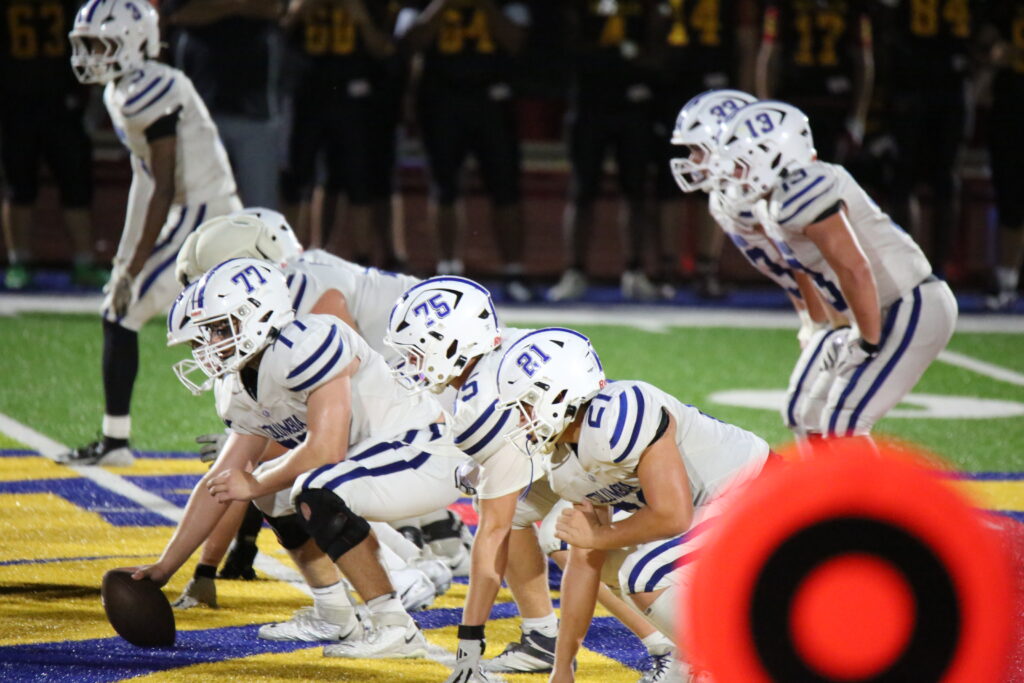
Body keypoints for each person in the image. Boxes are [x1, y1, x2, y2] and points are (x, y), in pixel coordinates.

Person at [137, 258, 470, 657]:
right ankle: (334, 613)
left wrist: (254, 481)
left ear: (259, 315)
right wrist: (165, 568)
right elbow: (221, 482)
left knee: (309, 485)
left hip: (424, 452)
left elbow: (326, 451)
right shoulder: (238, 386)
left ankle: (396, 625)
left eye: (221, 329)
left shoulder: (308, 341)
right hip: (373, 467)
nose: (209, 345)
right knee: (273, 491)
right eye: (206, 334)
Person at [384, 276, 676, 681]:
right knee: (521, 516)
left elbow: (491, 534)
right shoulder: (495, 349)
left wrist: (469, 644)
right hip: (573, 449)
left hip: (614, 464)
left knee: (565, 536)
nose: (413, 364)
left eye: (418, 353)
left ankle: (665, 644)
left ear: (451, 345)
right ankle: (542, 636)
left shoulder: (484, 405)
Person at [494, 327, 773, 681]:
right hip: (712, 510)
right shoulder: (564, 463)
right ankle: (700, 652)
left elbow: (673, 515)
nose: (521, 420)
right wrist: (563, 668)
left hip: (758, 493)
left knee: (643, 573)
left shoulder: (621, 412)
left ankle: (739, 664)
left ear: (560, 394)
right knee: (598, 555)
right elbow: (585, 563)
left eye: (526, 406)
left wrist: (599, 535)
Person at [59, 0, 242, 466]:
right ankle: (118, 441)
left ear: (134, 42)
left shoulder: (154, 88)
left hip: (203, 214)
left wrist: (134, 265)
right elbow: (143, 181)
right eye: (86, 45)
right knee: (215, 329)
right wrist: (125, 259)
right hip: (196, 210)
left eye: (100, 44)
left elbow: (162, 186)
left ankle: (118, 443)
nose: (90, 55)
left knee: (124, 313)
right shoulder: (121, 91)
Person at [716, 100, 958, 441]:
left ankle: (869, 482)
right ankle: (826, 482)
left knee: (844, 423)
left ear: (772, 156)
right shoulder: (776, 201)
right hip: (878, 310)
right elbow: (821, 275)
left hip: (907, 302)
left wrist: (867, 341)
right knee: (809, 416)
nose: (734, 175)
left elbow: (854, 267)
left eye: (741, 164)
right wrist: (839, 328)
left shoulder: (803, 188)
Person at [670, 88, 850, 441]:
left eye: (697, 149)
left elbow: (804, 263)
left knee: (818, 416)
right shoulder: (727, 198)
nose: (691, 160)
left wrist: (819, 324)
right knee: (815, 417)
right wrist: (807, 318)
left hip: (848, 307)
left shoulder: (759, 192)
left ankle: (850, 478)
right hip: (832, 307)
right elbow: (790, 270)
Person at [400, 0, 531, 301]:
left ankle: (513, 271)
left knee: (506, 187)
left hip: (492, 99)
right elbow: (409, 42)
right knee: (443, 187)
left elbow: (516, 41)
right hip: (441, 99)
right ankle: (447, 269)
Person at [550, 0, 659, 302]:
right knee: (581, 191)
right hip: (589, 102)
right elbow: (566, 43)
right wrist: (613, 55)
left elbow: (656, 44)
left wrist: (632, 59)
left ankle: (635, 270)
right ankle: (574, 270)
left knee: (636, 190)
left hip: (633, 104)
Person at [649, 0, 759, 299]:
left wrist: (746, 101)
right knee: (670, 182)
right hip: (672, 88)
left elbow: (745, 42)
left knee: (716, 181)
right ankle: (669, 267)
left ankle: (706, 267)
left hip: (716, 92)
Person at [0, 0, 105, 291]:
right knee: (18, 188)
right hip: (16, 104)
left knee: (76, 186)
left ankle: (84, 260)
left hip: (61, 102)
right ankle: (19, 260)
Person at [278, 0, 396, 256]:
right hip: (305, 95)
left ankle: (362, 259)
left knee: (360, 180)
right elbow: (273, 36)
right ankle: (287, 256)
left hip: (352, 95)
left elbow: (385, 49)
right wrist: (296, 13)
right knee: (295, 179)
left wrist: (361, 17)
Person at [876, 0, 978, 279]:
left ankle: (920, 266)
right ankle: (921, 266)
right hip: (934, 86)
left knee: (924, 179)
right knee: (920, 179)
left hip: (924, 86)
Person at [163, 0, 285, 210]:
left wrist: (215, 7)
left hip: (256, 110)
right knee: (199, 205)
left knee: (262, 208)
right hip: (199, 112)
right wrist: (240, 6)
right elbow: (181, 14)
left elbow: (275, 9)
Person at [755, 0, 873, 164]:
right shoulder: (780, 5)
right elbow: (769, 57)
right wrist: (767, 110)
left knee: (831, 171)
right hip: (795, 101)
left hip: (834, 107)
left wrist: (857, 118)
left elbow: (863, 62)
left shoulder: (854, 6)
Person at [981, 1, 1024, 310]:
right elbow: (985, 50)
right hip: (1009, 112)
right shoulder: (1001, 11)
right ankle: (1006, 279)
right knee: (1010, 198)